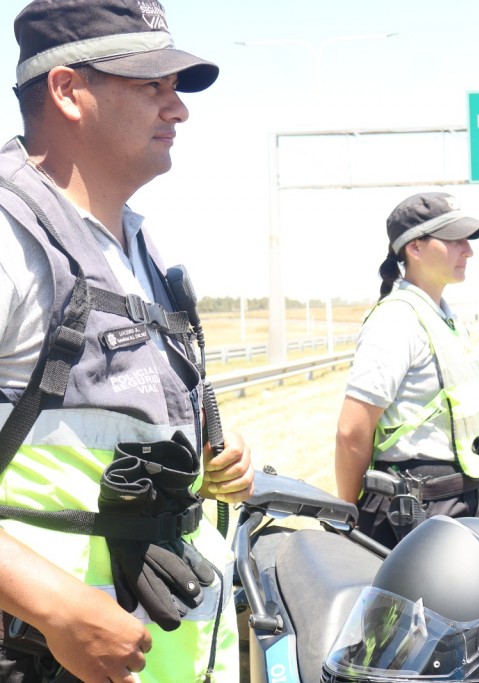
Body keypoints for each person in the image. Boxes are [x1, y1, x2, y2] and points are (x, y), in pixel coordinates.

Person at [0, 1, 255, 681]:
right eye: (152, 86)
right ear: (66, 90)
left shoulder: (139, 247)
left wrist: (210, 469)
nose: (179, 110)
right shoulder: (8, 240)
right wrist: (52, 605)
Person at [334, 192, 479, 548]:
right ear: (415, 248)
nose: (467, 251)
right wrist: (348, 515)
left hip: (452, 503)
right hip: (415, 514)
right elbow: (351, 431)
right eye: (454, 240)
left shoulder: (442, 316)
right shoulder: (397, 318)